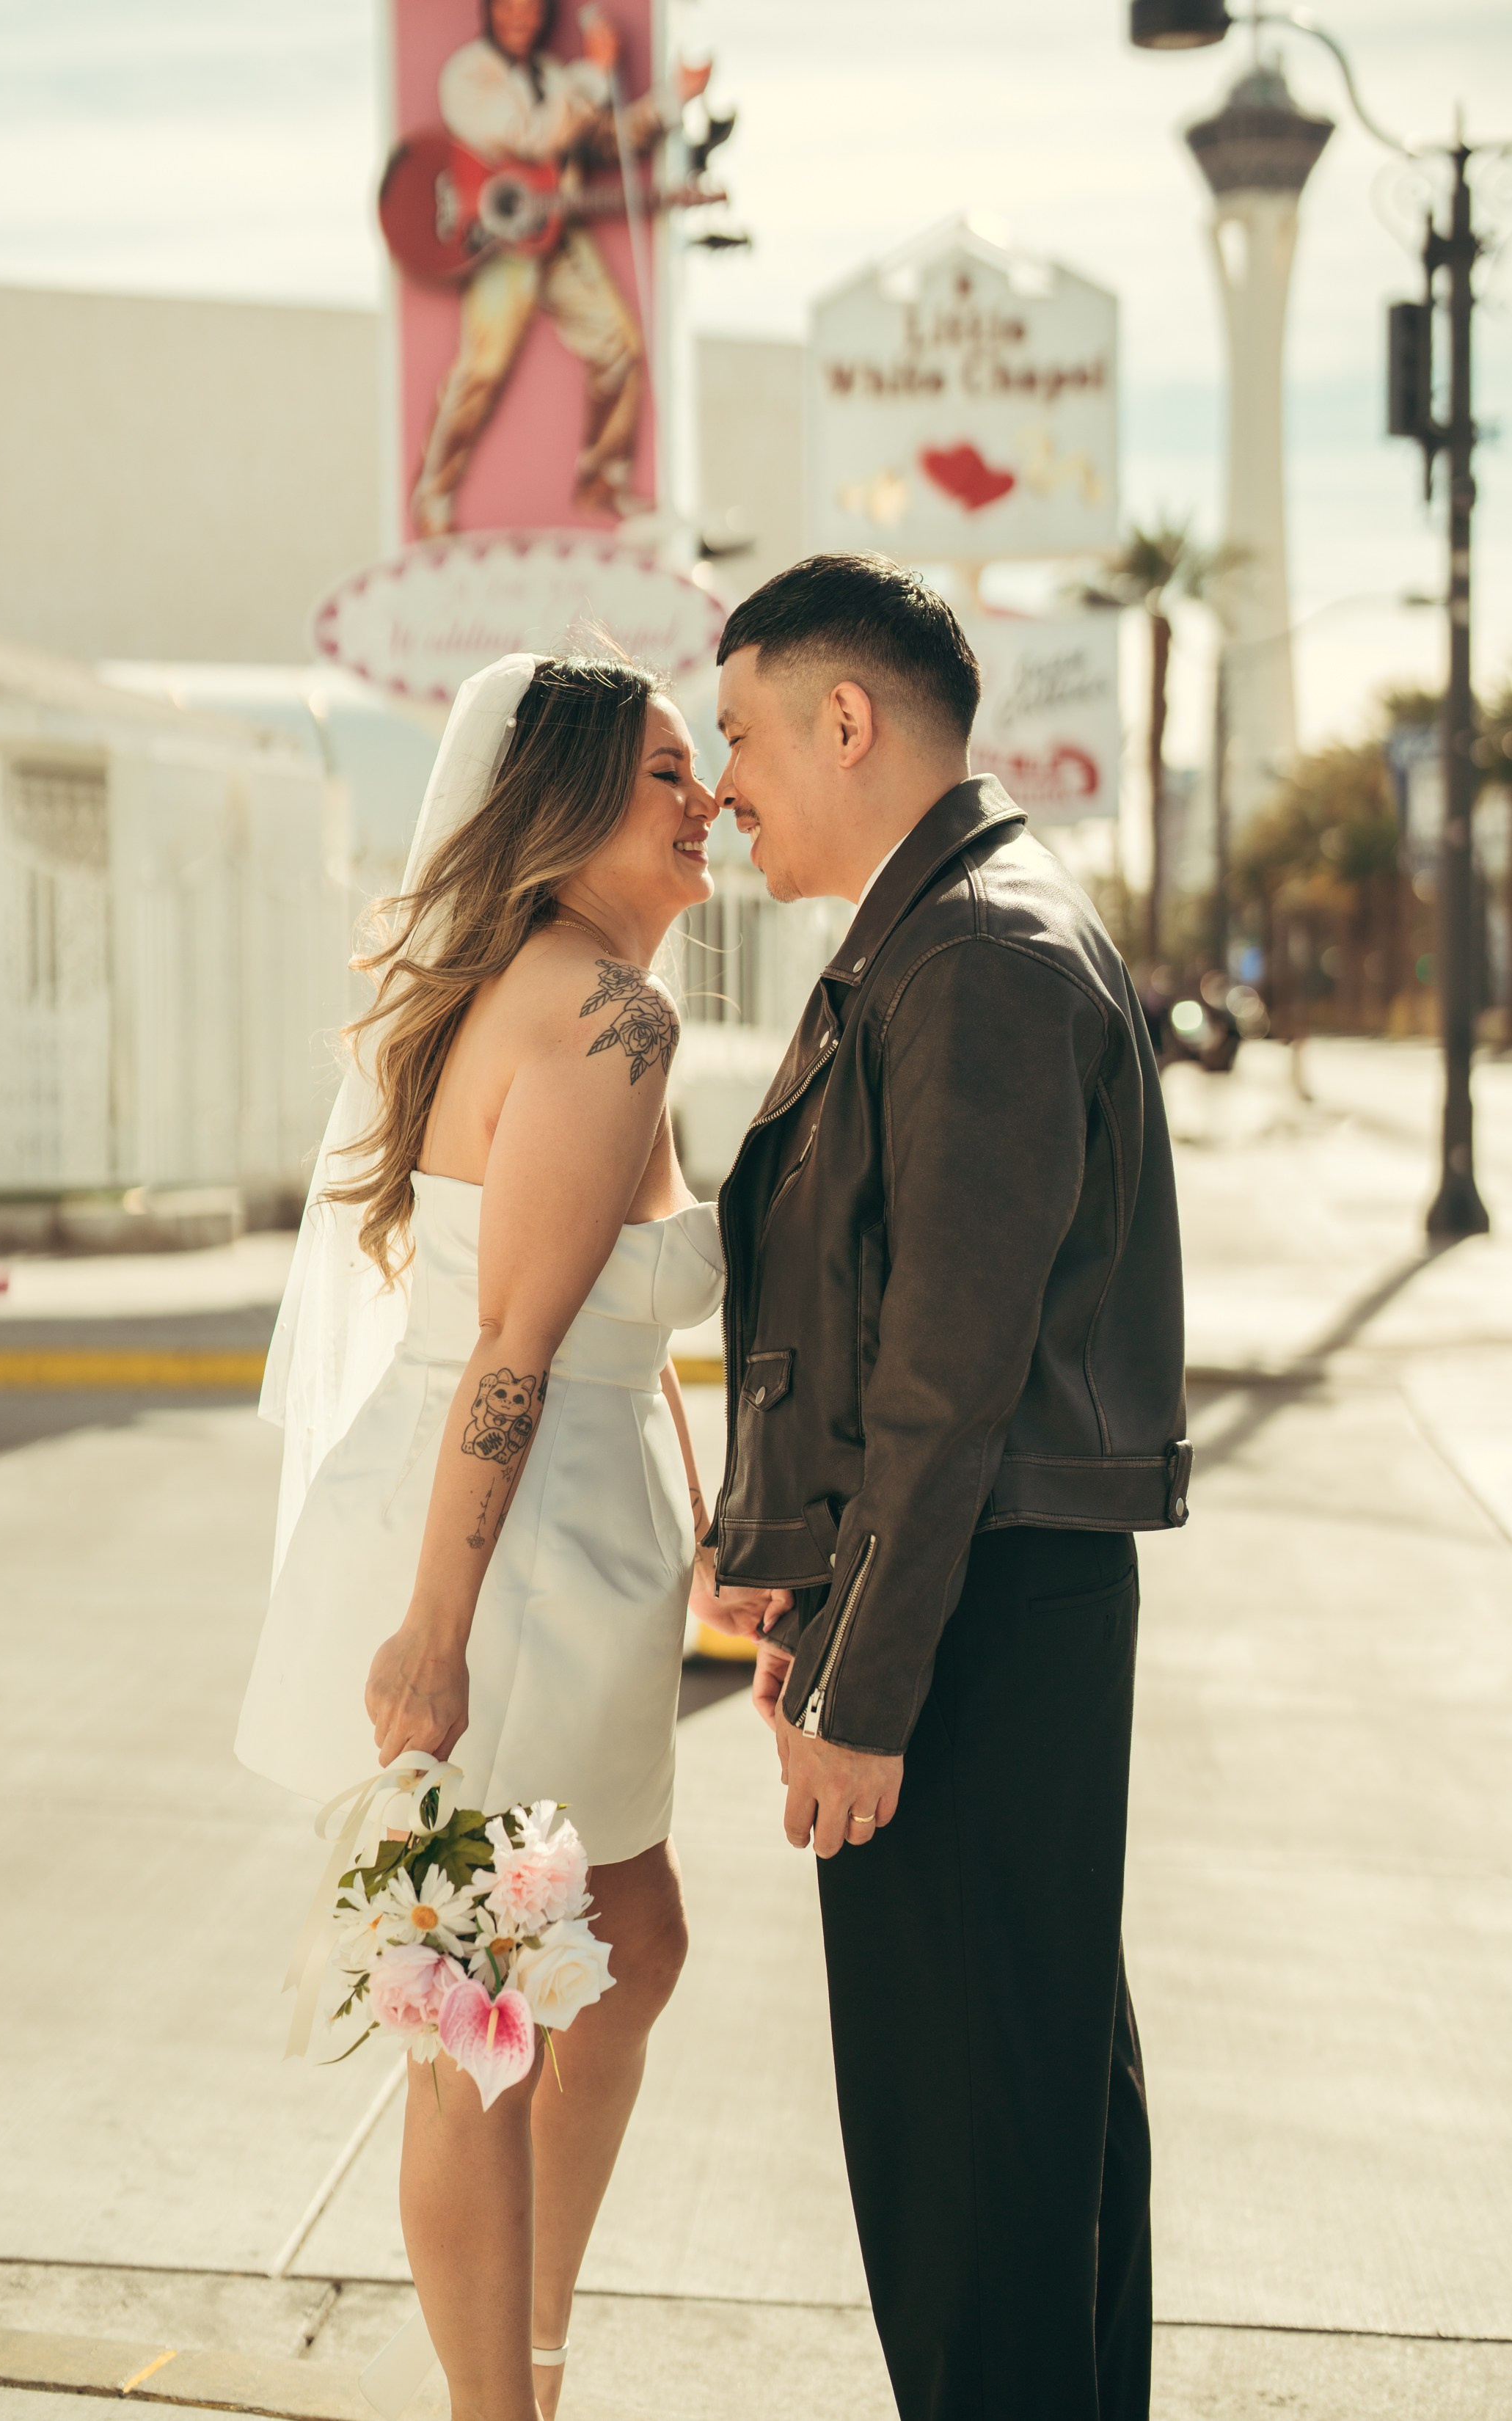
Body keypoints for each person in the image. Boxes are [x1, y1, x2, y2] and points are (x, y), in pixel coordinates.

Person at [237, 653, 781, 2421]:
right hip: (505, 1567)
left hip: (567, 1541)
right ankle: (505, 2403)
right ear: (554, 813)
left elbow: (620, 1306)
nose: (699, 802)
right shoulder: (606, 1018)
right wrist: (435, 1631)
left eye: (702, 769)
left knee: (631, 1941)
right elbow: (512, 1349)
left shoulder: (583, 996)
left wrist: (702, 1525)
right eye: (659, 775)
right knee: (477, 2029)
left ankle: (527, 2362)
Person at [709, 555, 1191, 2421]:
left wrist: (861, 1682)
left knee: (974, 2164)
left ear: (851, 720)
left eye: (743, 732)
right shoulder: (945, 929)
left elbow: (946, 1373)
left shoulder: (973, 951)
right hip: (965, 1604)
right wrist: (820, 1602)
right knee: (1027, 2129)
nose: (728, 779)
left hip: (980, 1617)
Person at [410, 0, 710, 534]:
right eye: (509, 10)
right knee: (481, 369)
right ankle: (433, 497)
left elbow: (604, 141)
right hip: (497, 241)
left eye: (530, 11)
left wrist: (674, 97)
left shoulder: (554, 77)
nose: (521, 21)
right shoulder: (468, 74)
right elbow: (530, 136)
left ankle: (603, 479)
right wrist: (594, 73)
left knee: (618, 345)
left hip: (555, 232)